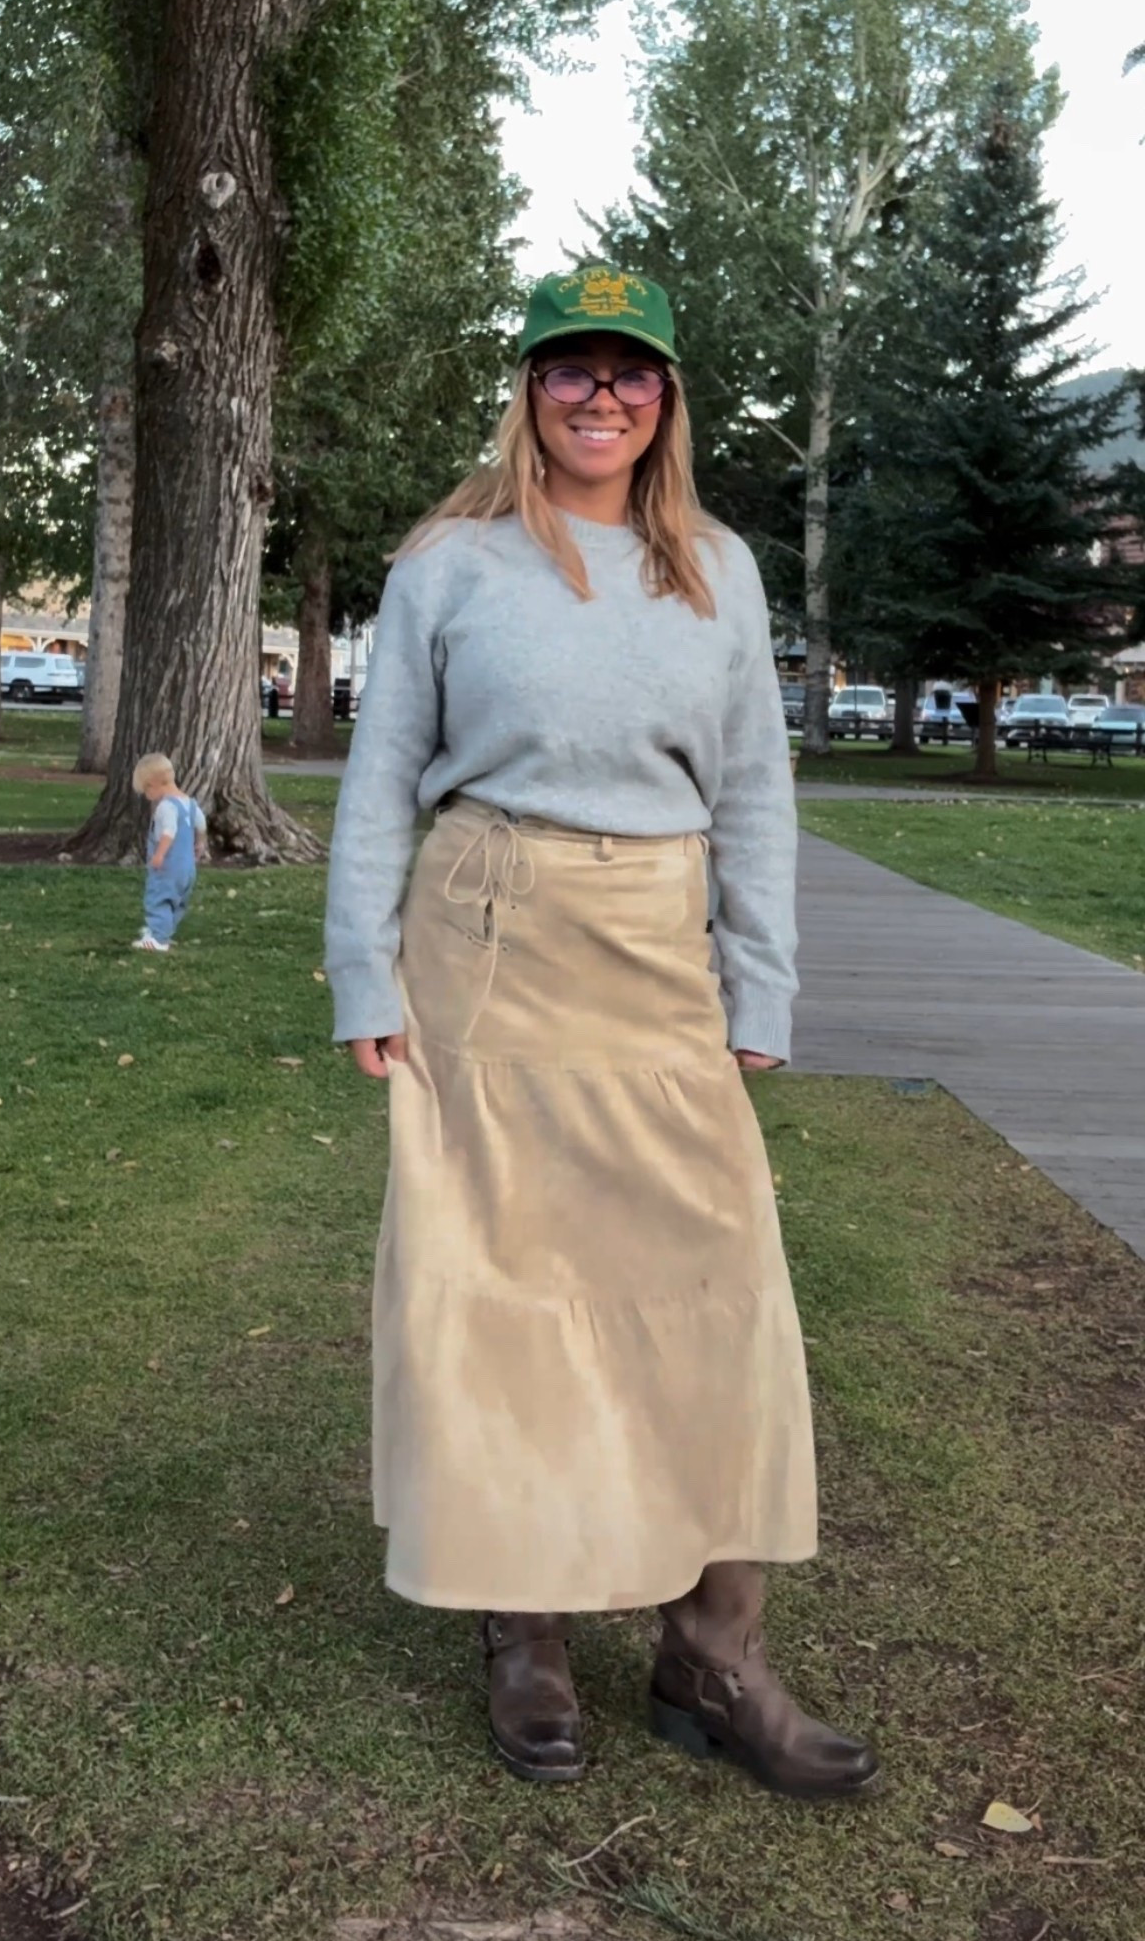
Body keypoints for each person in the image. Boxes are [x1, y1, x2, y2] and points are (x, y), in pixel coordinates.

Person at [324, 262, 878, 1798]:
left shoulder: (719, 567)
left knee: (720, 1285)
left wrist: (759, 987)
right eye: (568, 369)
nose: (599, 396)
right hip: (487, 940)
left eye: (628, 372)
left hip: (655, 951)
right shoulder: (450, 564)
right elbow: (381, 780)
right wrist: (362, 975)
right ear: (527, 390)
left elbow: (758, 794)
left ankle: (713, 1650)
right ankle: (527, 1632)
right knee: (503, 1286)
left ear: (668, 398)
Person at [131, 752, 206, 953]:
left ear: (154, 784)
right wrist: (200, 844)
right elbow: (201, 824)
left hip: (168, 866)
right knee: (177, 902)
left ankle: (157, 939)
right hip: (187, 868)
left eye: (146, 790)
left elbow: (168, 833)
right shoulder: (190, 803)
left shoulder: (166, 807)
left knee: (159, 898)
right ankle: (163, 932)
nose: (147, 797)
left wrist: (159, 855)